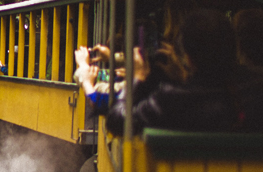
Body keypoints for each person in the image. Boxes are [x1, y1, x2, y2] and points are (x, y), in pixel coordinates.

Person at [106, 9, 247, 135]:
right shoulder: (245, 93)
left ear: (187, 57)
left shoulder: (170, 100)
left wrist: (137, 78)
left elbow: (116, 121)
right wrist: (182, 77)